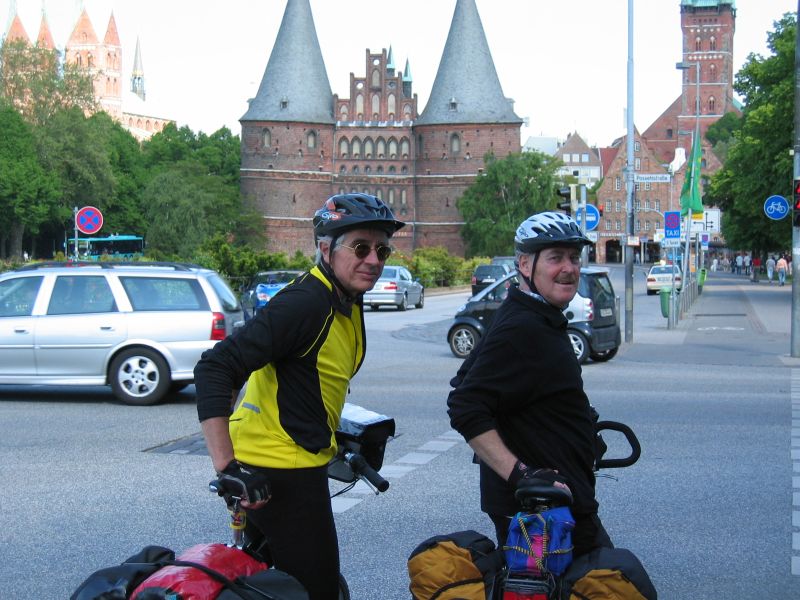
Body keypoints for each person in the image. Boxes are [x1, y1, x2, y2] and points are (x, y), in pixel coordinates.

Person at [194, 193, 404, 600]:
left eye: (382, 248)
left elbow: (308, 376)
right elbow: (216, 368)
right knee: (317, 590)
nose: (374, 260)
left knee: (271, 582)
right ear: (326, 248)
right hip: (279, 471)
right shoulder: (307, 302)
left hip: (285, 459)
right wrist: (227, 467)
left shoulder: (344, 300)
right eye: (361, 247)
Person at [447, 211, 611, 559]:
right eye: (555, 258)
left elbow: (468, 377)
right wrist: (521, 474)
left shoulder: (531, 314)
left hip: (552, 502)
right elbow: (465, 404)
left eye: (573, 257)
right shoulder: (524, 327)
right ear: (524, 264)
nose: (569, 268)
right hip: (541, 509)